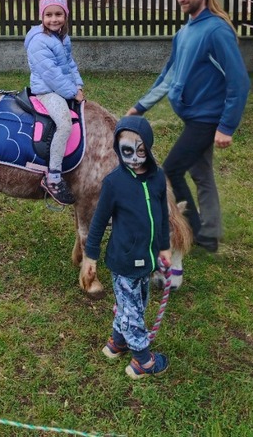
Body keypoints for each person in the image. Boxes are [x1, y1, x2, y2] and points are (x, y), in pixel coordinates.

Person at [126, 0, 250, 252]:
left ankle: (195, 231)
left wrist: (226, 126)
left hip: (206, 119)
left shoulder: (216, 30)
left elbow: (239, 82)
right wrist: (140, 107)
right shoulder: (185, 32)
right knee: (201, 174)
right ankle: (211, 232)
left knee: (171, 170)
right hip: (193, 117)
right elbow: (169, 76)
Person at [83, 116, 171, 379]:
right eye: (126, 151)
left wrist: (164, 247)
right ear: (118, 150)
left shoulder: (157, 178)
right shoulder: (114, 183)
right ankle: (142, 361)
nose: (133, 158)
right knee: (133, 311)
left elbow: (162, 216)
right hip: (124, 261)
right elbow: (98, 222)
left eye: (140, 151)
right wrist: (90, 256)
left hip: (147, 258)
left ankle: (117, 343)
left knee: (135, 304)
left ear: (149, 147)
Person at [25, 0, 85, 205]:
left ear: (65, 15)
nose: (54, 19)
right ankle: (53, 177)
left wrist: (78, 84)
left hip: (62, 87)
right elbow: (51, 75)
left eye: (58, 14)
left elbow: (69, 64)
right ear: (41, 16)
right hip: (47, 91)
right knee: (65, 124)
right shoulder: (39, 41)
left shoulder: (62, 37)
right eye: (48, 14)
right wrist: (72, 92)